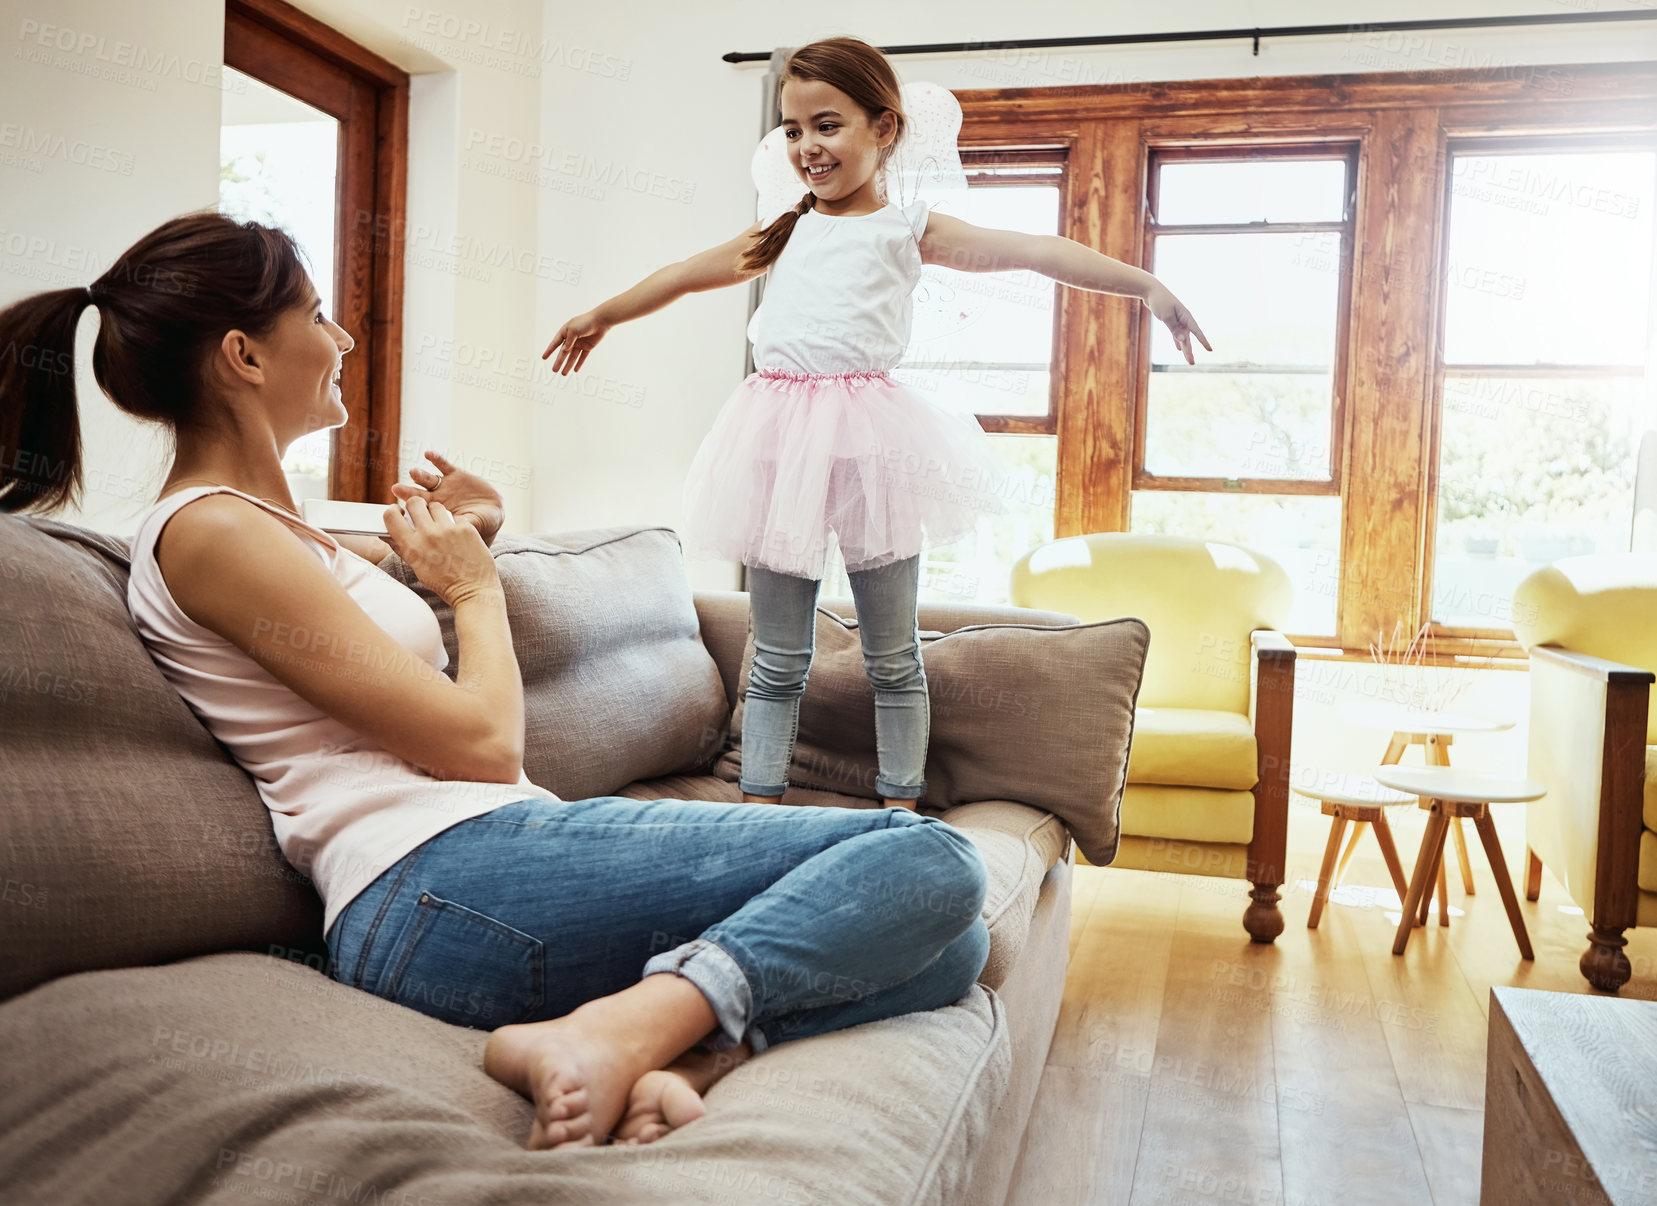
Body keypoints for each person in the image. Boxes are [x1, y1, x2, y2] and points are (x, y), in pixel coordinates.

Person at [0, 210, 992, 1151]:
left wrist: (471, 539)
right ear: (244, 355)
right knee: (934, 864)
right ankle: (626, 1032)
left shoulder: (286, 533)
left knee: (950, 948)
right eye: (314, 315)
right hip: (432, 881)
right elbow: (481, 745)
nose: (342, 338)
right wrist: (474, 589)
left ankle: (682, 1044)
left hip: (482, 878)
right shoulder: (208, 531)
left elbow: (355, 643)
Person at [543, 36, 1210, 815]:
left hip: (870, 443)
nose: (807, 147)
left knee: (892, 654)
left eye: (827, 125)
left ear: (883, 129)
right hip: (777, 442)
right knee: (777, 656)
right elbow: (684, 275)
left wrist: (1147, 288)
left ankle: (900, 807)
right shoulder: (781, 231)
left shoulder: (907, 228)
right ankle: (756, 808)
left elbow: (1034, 250)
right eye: (792, 131)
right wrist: (604, 315)